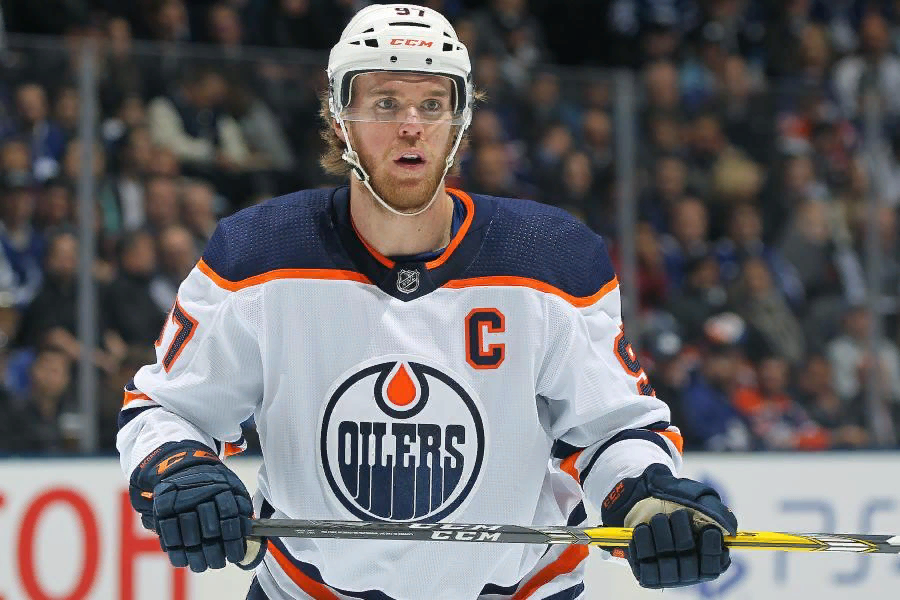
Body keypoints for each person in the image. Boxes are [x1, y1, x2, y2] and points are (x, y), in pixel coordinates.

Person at [116, 5, 737, 599]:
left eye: (432, 104)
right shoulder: (258, 254)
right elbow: (164, 407)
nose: (411, 125)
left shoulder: (550, 258)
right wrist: (181, 468)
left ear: (459, 122)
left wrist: (645, 497)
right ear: (339, 117)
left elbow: (611, 429)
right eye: (385, 102)